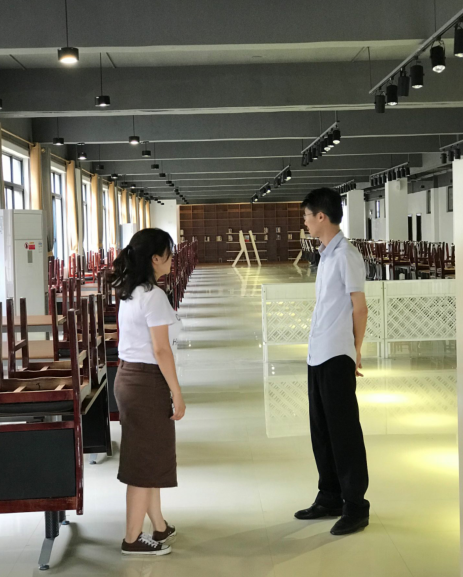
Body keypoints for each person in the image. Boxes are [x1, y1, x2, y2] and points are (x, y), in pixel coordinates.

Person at [294, 188, 370, 536]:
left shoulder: (346, 255)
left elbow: (360, 308)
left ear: (321, 216)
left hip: (337, 354)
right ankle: (330, 496)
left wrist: (355, 350)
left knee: (344, 433)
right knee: (322, 430)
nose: (305, 223)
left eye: (307, 216)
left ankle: (355, 506)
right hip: (318, 353)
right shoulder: (326, 254)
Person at [110, 228, 186, 555]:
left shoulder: (132, 291)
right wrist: (177, 392)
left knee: (149, 459)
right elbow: (161, 350)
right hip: (146, 382)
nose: (172, 259)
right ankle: (131, 539)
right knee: (143, 465)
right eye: (169, 253)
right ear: (155, 258)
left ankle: (159, 526)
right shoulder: (153, 295)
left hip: (129, 377)